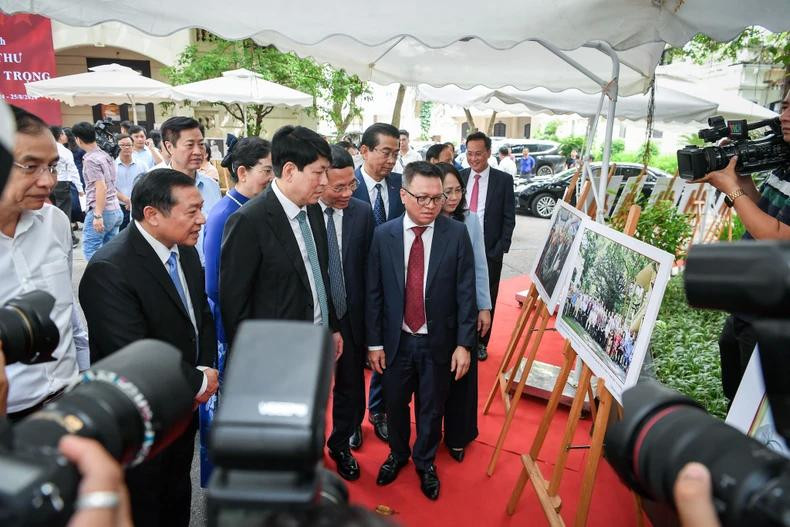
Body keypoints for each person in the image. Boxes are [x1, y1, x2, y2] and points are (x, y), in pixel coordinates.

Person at [78, 168, 219, 527]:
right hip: (140, 419)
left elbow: (199, 315)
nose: (202, 219)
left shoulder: (184, 250)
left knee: (176, 492)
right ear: (153, 215)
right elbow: (130, 351)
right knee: (146, 503)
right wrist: (197, 383)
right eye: (192, 211)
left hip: (182, 409)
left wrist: (203, 369)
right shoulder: (111, 268)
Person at [367, 161, 476, 500]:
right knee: (395, 405)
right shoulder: (384, 234)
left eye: (438, 198)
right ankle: (398, 454)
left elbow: (466, 292)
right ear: (403, 195)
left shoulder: (455, 234)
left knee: (432, 408)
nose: (431, 206)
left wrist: (464, 344)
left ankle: (425, 461)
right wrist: (373, 344)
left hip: (438, 342)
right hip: (396, 341)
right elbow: (374, 292)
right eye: (422, 198)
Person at [698, 91, 790, 402]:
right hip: (749, 305)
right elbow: (761, 210)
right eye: (786, 106)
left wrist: (733, 190)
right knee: (736, 395)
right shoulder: (784, 165)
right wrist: (740, 177)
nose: (785, 117)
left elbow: (776, 236)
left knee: (760, 407)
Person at [220, 125, 342, 358]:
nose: (325, 181)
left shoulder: (313, 209)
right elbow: (235, 304)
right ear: (289, 171)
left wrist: (332, 327)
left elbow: (319, 276)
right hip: (275, 354)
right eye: (318, 172)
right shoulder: (248, 221)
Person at [1, 106, 89, 422]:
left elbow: (67, 313)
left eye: (52, 166)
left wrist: (85, 374)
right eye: (30, 166)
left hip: (69, 400)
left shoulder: (56, 223)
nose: (47, 181)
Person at [201, 136, 273, 484]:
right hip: (231, 328)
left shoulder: (252, 208)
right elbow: (216, 287)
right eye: (267, 170)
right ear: (242, 172)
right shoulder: (225, 213)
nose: (272, 178)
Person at [320, 145, 375, 480]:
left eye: (351, 185)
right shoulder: (305, 214)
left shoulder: (362, 213)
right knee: (312, 390)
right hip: (315, 321)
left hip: (352, 317)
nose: (346, 193)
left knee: (351, 387)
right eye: (337, 187)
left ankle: (340, 442)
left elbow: (369, 271)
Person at [351, 122, 405, 443]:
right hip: (355, 289)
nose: (391, 161)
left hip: (392, 289)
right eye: (385, 152)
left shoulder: (402, 185)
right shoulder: (345, 184)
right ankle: (353, 419)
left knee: (387, 352)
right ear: (365, 150)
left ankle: (379, 410)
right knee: (354, 359)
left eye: (396, 154)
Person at [436, 162, 492, 462]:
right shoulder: (422, 219)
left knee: (462, 374)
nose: (453, 197)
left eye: (458, 190)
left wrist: (484, 305)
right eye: (447, 191)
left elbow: (480, 265)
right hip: (433, 312)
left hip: (464, 308)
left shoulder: (469, 221)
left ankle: (458, 436)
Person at [461, 131, 516, 361]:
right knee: (462, 293)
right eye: (470, 154)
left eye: (479, 154)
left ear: (488, 153)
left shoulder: (502, 180)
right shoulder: (459, 176)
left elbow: (509, 217)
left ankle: (482, 342)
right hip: (461, 246)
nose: (474, 159)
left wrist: (500, 247)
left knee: (487, 296)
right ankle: (463, 338)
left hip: (489, 249)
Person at [156, 116, 222, 266]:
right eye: (190, 145)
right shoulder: (152, 187)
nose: (198, 151)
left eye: (201, 144)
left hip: (210, 270)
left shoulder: (211, 186)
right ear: (169, 147)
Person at [72, 121, 124, 261]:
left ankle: (100, 281)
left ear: (78, 139)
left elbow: (101, 187)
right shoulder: (105, 155)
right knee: (110, 252)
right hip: (115, 210)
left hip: (102, 210)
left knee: (91, 250)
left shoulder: (90, 160)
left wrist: (97, 215)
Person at [50, 125, 84, 246]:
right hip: (62, 183)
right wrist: (80, 189)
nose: (66, 136)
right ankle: (69, 239)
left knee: (52, 212)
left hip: (49, 183)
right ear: (59, 136)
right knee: (64, 213)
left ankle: (58, 237)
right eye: (63, 134)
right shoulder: (64, 151)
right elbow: (73, 171)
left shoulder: (47, 148)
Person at [114, 134, 147, 231]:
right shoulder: (112, 166)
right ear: (117, 147)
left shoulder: (142, 165)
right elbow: (110, 188)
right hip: (120, 207)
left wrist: (133, 201)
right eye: (122, 145)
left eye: (129, 145)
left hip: (138, 206)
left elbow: (146, 184)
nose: (126, 148)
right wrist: (126, 200)